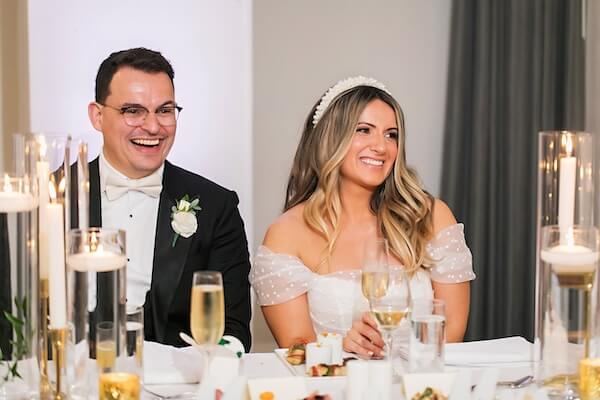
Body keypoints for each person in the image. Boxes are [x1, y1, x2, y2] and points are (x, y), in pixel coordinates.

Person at [250, 76, 475, 358]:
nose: (381, 146)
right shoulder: (287, 234)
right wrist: (339, 347)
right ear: (330, 138)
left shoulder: (431, 217)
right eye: (364, 130)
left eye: (391, 134)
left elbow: (452, 329)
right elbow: (295, 346)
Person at [83, 47, 251, 351]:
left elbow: (235, 331)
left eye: (164, 110)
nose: (152, 127)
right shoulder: (48, 199)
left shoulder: (216, 207)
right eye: (133, 111)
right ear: (97, 115)